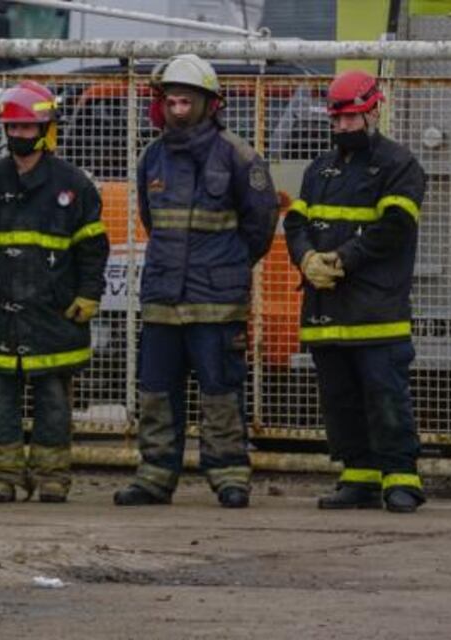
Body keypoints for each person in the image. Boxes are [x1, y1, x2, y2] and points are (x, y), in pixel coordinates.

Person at [112, 54, 278, 509]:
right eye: (171, 100)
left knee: (221, 390)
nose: (177, 108)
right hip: (164, 298)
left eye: (186, 100)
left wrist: (226, 266)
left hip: (216, 303)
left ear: (209, 103)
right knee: (156, 391)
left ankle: (228, 477)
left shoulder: (240, 156)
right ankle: (153, 477)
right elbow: (153, 221)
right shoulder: (152, 158)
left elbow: (260, 224)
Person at [0, 80, 109, 503]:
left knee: (54, 400)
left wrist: (90, 293)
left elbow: (93, 249)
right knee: (0, 400)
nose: (18, 134)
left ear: (47, 128)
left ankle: (52, 477)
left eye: (26, 127)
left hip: (54, 314)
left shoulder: (74, 185)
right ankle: (1, 476)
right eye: (12, 127)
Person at [283, 69, 426, 513]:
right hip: (327, 308)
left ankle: (401, 478)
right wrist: (306, 258)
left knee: (385, 394)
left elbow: (395, 228)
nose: (343, 127)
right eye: (338, 119)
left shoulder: (399, 164)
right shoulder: (319, 169)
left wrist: (343, 259)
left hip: (377, 308)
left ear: (373, 110)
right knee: (340, 398)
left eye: (351, 119)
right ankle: (357, 477)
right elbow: (296, 223)